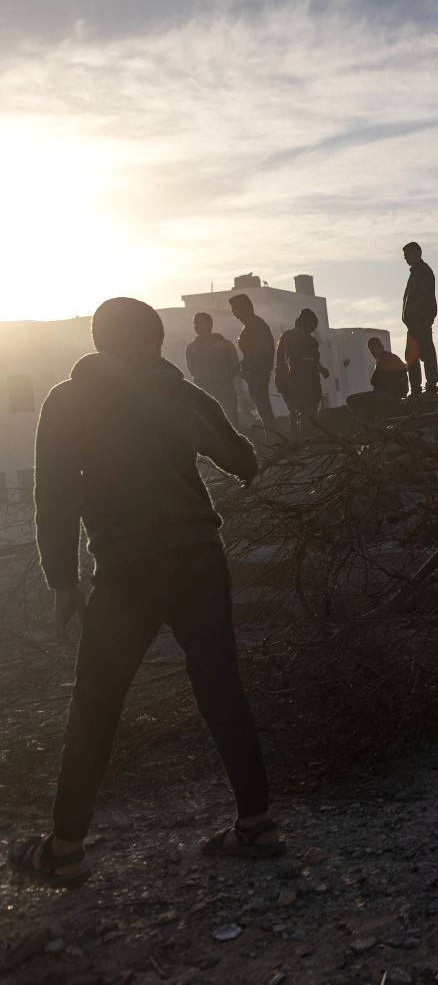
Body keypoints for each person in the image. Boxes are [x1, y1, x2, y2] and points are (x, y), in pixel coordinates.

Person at [8, 297, 280, 889]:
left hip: (129, 569)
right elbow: (243, 460)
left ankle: (65, 848)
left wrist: (62, 581)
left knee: (97, 702)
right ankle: (256, 825)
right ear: (157, 342)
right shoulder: (180, 393)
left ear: (98, 341)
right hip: (200, 560)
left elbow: (55, 499)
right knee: (221, 688)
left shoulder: (69, 399)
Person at [274, 309, 327, 439]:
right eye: (308, 326)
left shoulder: (309, 340)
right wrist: (292, 378)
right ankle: (300, 440)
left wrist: (321, 369)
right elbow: (290, 360)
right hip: (293, 381)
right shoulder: (291, 337)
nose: (309, 330)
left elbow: (314, 359)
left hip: (301, 380)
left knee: (302, 411)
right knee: (298, 411)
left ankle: (301, 438)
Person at [229, 294, 278, 434]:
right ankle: (271, 437)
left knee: (263, 408)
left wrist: (249, 367)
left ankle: (273, 438)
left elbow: (261, 350)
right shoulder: (251, 325)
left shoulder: (256, 325)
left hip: (258, 373)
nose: (234, 313)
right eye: (232, 310)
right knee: (261, 408)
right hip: (253, 373)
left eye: (235, 309)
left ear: (246, 307)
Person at [185, 312, 241, 425]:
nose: (196, 326)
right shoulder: (191, 348)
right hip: (203, 391)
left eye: (200, 323)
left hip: (224, 391)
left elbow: (235, 367)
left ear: (210, 324)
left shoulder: (225, 344)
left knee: (231, 424)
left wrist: (223, 380)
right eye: (195, 323)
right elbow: (191, 370)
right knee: (206, 424)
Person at [402, 241, 438, 397]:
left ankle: (429, 387)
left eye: (407, 255)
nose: (405, 258)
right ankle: (417, 389)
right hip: (414, 323)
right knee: (412, 356)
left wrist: (421, 318)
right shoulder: (417, 272)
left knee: (426, 354)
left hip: (420, 322)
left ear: (417, 253)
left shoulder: (423, 272)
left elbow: (426, 298)